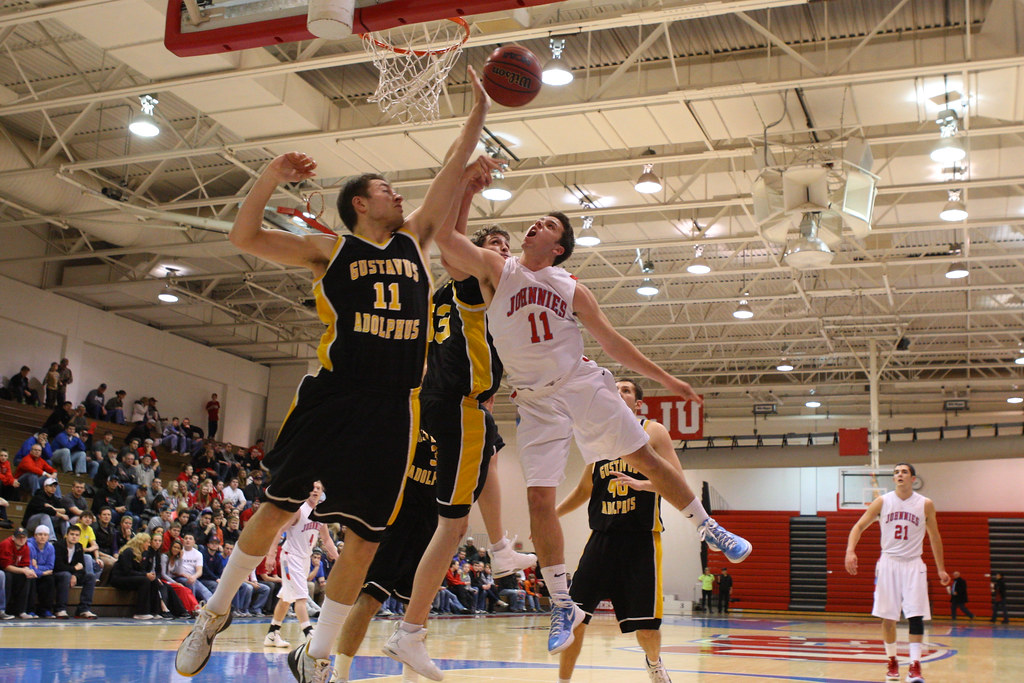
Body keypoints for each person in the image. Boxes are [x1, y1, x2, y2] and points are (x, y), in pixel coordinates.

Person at [175, 67, 493, 683]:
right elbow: (244, 235)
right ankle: (212, 615)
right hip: (335, 393)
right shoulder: (333, 251)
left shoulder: (415, 240)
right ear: (359, 203)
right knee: (275, 507)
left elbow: (454, 162)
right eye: (386, 190)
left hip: (394, 405)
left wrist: (478, 109)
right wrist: (270, 177)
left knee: (368, 538)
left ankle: (316, 654)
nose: (398, 197)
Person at [429, 150, 751, 659]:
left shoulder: (570, 286)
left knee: (645, 456)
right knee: (538, 499)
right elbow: (446, 242)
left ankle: (708, 526)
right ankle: (563, 604)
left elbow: (615, 343)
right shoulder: (498, 268)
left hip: (579, 382)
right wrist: (466, 190)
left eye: (549, 224)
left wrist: (666, 378)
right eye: (538, 219)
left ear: (558, 248)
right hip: (535, 403)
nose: (537, 223)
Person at [384, 210, 536, 674]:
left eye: (507, 245)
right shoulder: (472, 283)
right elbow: (451, 242)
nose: (503, 250)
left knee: (489, 455)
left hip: (448, 400)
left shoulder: (442, 294)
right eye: (494, 243)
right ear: (474, 250)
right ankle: (411, 632)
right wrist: (466, 188)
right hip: (458, 402)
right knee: (450, 527)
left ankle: (498, 547)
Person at [555, 379, 682, 683]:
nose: (619, 392)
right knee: (575, 620)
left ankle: (654, 664)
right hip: (601, 539)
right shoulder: (597, 439)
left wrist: (643, 484)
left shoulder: (652, 431)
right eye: (615, 389)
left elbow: (677, 481)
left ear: (638, 404)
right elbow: (585, 488)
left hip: (640, 539)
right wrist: (550, 514)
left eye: (626, 390)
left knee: (647, 627)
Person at [331, 429, 440, 683]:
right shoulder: (410, 408)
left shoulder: (458, 419)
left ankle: (410, 678)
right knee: (370, 597)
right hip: (396, 517)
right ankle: (340, 676)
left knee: (419, 604)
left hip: (430, 522)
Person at [845, 463, 949, 683]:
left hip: (914, 564)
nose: (899, 474)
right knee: (888, 616)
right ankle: (892, 661)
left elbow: (935, 537)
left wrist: (940, 568)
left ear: (913, 479)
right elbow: (858, 527)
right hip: (888, 563)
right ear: (893, 479)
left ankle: (915, 665)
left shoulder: (925, 504)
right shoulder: (883, 502)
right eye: (896, 472)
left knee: (916, 616)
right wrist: (850, 551)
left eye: (904, 472)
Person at [263, 482, 339, 648]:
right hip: (291, 557)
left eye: (318, 489)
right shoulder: (299, 510)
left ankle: (272, 634)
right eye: (312, 488)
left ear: (322, 493)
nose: (315, 491)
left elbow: (326, 540)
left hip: (305, 558)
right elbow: (278, 531)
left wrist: (338, 559)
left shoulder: (320, 514)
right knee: (301, 597)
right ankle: (309, 633)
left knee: (286, 597)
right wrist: (271, 554)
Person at [110, 532, 162, 619]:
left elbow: (140, 570)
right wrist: (145, 575)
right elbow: (127, 571)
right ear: (141, 542)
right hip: (119, 578)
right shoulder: (128, 552)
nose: (149, 545)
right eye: (148, 542)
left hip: (129, 577)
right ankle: (141, 612)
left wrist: (149, 575)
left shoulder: (141, 553)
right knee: (144, 580)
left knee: (154, 581)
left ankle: (154, 611)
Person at [52, 525, 97, 619]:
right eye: (72, 534)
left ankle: (83, 609)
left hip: (71, 574)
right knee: (66, 575)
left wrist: (75, 575)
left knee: (91, 576)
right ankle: (60, 609)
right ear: (66, 535)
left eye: (77, 535)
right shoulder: (58, 545)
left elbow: (82, 567)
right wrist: (74, 569)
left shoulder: (79, 547)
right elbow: (58, 566)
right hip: (57, 574)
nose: (74, 537)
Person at [0, 527, 37, 618]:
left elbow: (24, 564)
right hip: (4, 569)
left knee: (26, 577)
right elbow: (6, 566)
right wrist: (24, 570)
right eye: (18, 537)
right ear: (13, 537)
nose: (21, 539)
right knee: (7, 577)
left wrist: (28, 571)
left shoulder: (25, 547)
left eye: (23, 537)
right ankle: (4, 609)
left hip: (15, 569)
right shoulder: (6, 544)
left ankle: (21, 610)